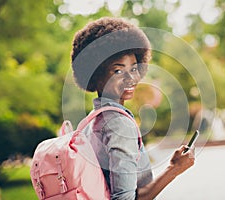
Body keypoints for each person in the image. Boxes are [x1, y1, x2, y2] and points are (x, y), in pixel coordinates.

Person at [71, 17, 195, 200]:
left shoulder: (92, 121)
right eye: (118, 71)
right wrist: (174, 169)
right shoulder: (119, 124)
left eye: (135, 68)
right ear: (95, 75)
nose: (131, 78)